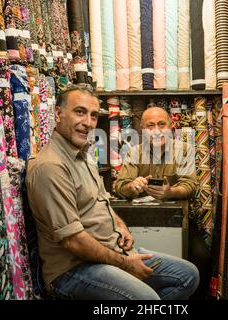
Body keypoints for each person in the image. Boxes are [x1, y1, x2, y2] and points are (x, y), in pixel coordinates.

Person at [25, 85, 199, 300]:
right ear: (58, 114)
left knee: (188, 275)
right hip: (76, 266)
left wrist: (120, 223)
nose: (88, 122)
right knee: (147, 299)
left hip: (110, 248)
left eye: (94, 115)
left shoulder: (84, 157)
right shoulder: (51, 166)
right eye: (80, 112)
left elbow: (102, 200)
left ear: (171, 127)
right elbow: (74, 238)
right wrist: (133, 187)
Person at [114, 107, 213, 300]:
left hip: (179, 221)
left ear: (171, 126)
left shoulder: (184, 150)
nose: (157, 130)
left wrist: (170, 192)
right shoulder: (134, 152)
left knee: (203, 257)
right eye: (150, 126)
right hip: (139, 224)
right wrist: (133, 186)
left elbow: (191, 186)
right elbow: (119, 185)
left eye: (162, 124)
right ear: (142, 130)